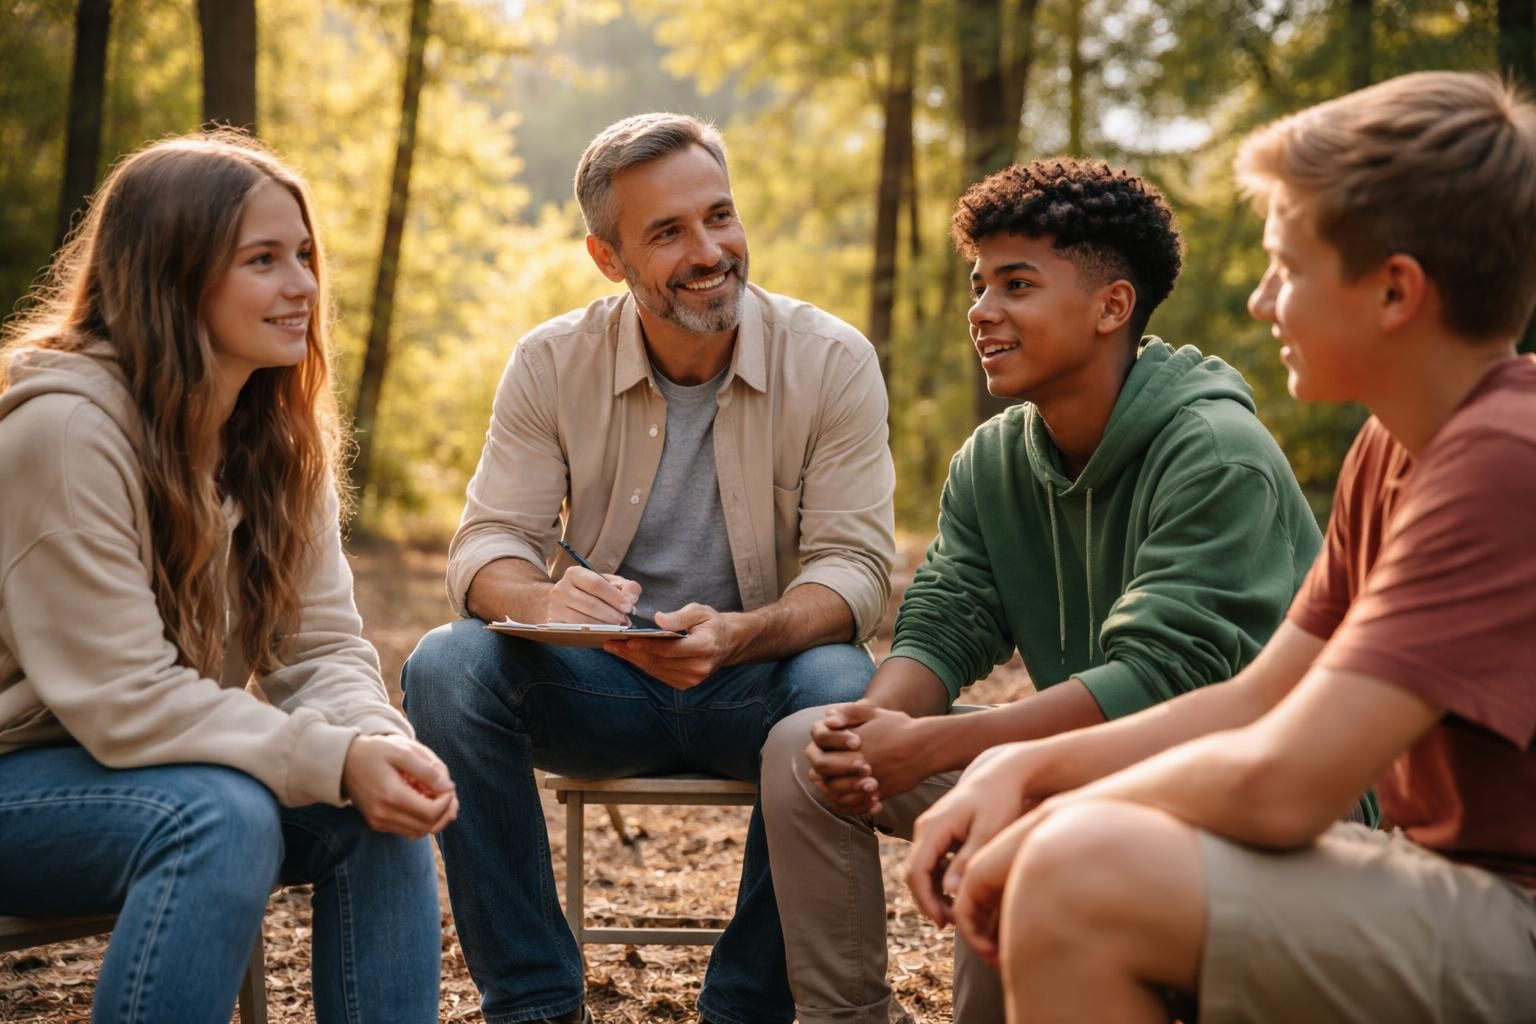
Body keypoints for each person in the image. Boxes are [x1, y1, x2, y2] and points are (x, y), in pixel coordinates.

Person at [908, 70, 1536, 1023]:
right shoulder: (1393, 445)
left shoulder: (1502, 462)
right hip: (1445, 884)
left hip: (1510, 913)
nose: (1259, 300)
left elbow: (1285, 784)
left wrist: (1045, 790)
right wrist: (1019, 769)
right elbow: (1256, 699)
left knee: (1076, 874)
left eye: (1287, 267)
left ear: (1394, 291)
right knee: (1062, 848)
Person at [761, 157, 1338, 1024]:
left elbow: (1162, 680)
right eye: (979, 285)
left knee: (1010, 807)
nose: (982, 310)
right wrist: (875, 733)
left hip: (1245, 794)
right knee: (804, 749)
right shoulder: (993, 460)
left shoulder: (1216, 452)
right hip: (1071, 769)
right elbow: (946, 621)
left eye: (1017, 284)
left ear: (1112, 307)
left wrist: (937, 747)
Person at [401, 112, 895, 1024]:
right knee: (446, 666)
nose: (709, 252)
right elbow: (486, 545)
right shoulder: (551, 361)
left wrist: (740, 636)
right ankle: (535, 1003)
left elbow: (856, 569)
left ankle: (744, 1010)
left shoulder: (832, 360)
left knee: (840, 684)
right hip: (600, 688)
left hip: (760, 685)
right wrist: (547, 601)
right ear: (608, 257)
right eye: (668, 232)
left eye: (720, 216)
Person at [0, 131, 455, 1022]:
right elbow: (127, 697)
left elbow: (320, 649)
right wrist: (335, 758)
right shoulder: (62, 435)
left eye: (305, 255)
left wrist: (373, 742)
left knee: (382, 805)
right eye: (263, 260)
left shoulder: (274, 435)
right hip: (24, 778)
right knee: (220, 814)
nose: (304, 285)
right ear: (174, 277)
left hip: (154, 769)